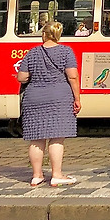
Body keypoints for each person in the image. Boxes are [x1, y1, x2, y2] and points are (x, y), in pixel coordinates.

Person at [16, 21, 81, 187]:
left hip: (34, 98)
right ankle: (57, 174)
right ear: (58, 35)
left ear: (43, 34)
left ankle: (37, 175)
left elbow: (22, 77)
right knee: (56, 137)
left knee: (36, 138)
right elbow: (72, 76)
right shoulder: (66, 52)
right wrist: (77, 98)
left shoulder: (32, 53)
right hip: (59, 98)